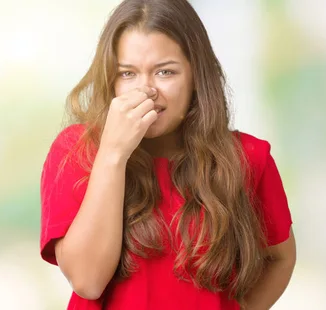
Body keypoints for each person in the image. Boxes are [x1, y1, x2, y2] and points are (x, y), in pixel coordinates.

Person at [39, 0, 296, 309]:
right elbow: (87, 281)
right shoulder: (76, 151)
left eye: (165, 72)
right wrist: (113, 154)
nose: (146, 90)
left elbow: (280, 259)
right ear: (111, 79)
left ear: (195, 77)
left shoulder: (247, 158)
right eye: (128, 74)